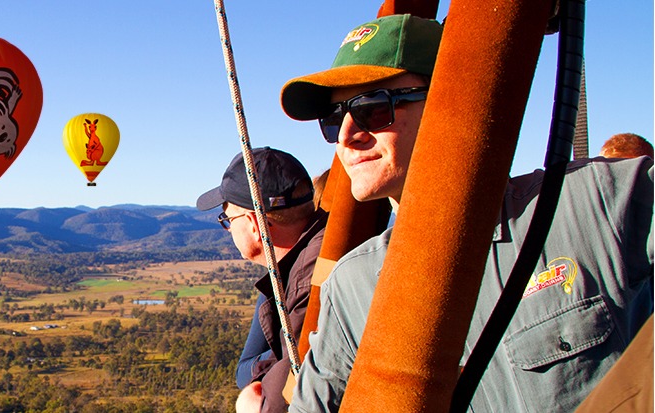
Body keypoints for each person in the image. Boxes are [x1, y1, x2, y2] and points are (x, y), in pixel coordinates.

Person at [273, 14, 653, 412]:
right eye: (335, 119)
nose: (348, 135)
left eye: (373, 108)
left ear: (447, 102)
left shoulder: (593, 203)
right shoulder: (351, 287)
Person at [196, 147, 328, 413]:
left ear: (254, 225)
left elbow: (275, 402)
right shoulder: (311, 256)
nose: (229, 229)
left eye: (227, 219)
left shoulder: (307, 280)